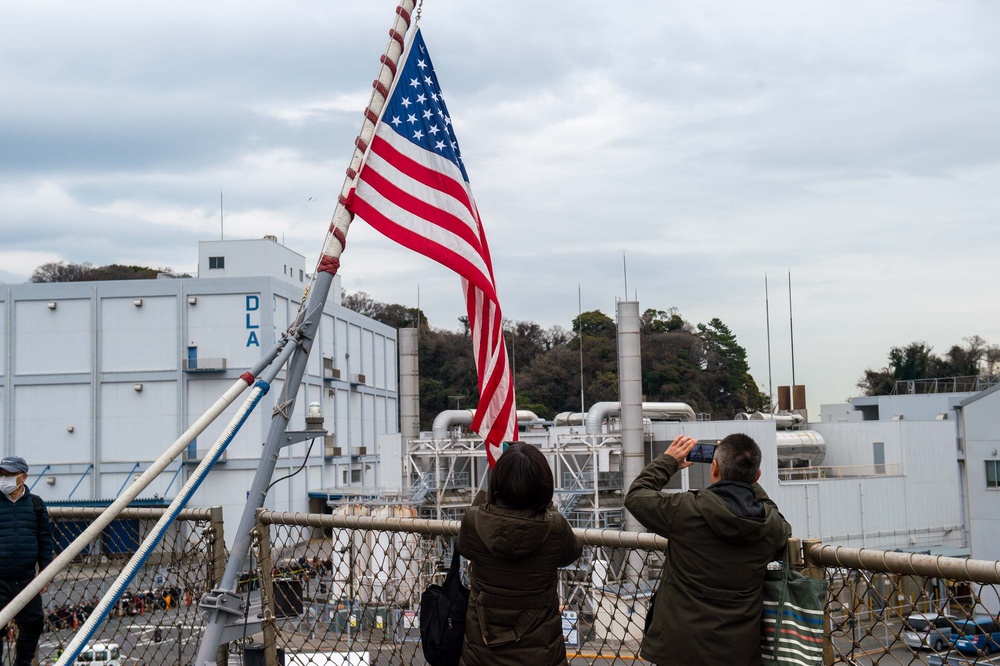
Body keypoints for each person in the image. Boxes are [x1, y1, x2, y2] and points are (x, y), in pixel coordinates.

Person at [624, 434, 791, 666]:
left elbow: (636, 496)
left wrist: (669, 460)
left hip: (679, 648)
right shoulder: (770, 526)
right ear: (757, 477)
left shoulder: (685, 509)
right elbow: (776, 515)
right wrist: (747, 477)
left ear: (713, 468)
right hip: (738, 652)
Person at [457, 442, 582, 666]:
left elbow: (464, 548)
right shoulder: (555, 528)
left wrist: (487, 500)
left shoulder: (472, 522)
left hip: (481, 653)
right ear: (544, 484)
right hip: (540, 655)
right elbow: (571, 554)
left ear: (497, 481)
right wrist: (547, 508)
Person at [0, 456, 54, 666]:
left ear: (23, 477)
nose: (4, 479)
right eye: (1, 474)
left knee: (33, 624)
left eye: (9, 475)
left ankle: (22, 663)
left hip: (26, 580)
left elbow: (44, 540)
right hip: (0, 579)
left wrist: (46, 572)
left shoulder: (36, 505)